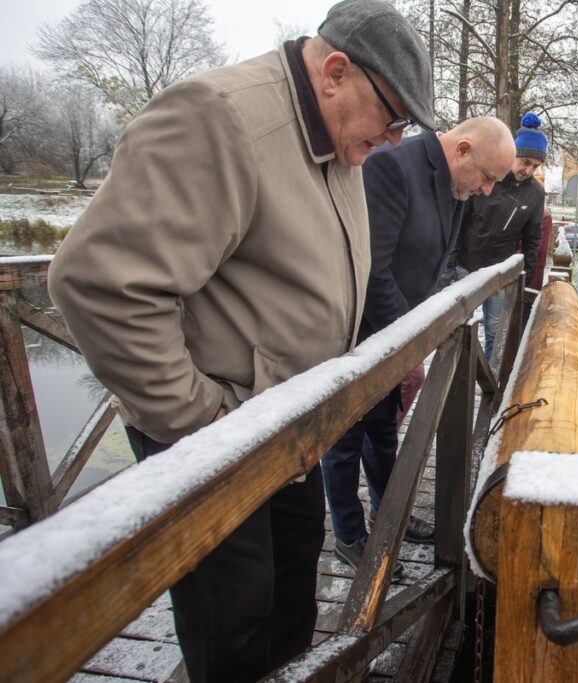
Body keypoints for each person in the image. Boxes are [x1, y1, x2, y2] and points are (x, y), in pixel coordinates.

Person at [46, 2, 434, 680]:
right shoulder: (221, 118)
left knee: (290, 601)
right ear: (336, 72)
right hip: (213, 441)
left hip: (285, 432)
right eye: (393, 116)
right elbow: (98, 283)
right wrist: (203, 423)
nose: (397, 138)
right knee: (233, 619)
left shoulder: (341, 139)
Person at [322, 117, 515, 572]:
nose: (487, 190)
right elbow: (373, 268)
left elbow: (440, 258)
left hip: (397, 334)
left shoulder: (455, 186)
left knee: (384, 429)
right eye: (487, 177)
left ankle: (389, 514)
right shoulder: (392, 166)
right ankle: (349, 535)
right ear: (463, 149)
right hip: (362, 335)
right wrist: (409, 335)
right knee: (346, 439)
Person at [455, 112, 546, 358]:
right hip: (465, 265)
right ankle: (456, 379)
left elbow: (532, 240)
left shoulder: (536, 195)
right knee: (457, 327)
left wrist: (526, 279)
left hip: (498, 273)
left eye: (535, 167)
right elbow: (461, 221)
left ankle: (489, 386)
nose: (528, 170)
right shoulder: (489, 178)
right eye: (525, 162)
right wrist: (450, 264)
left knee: (495, 330)